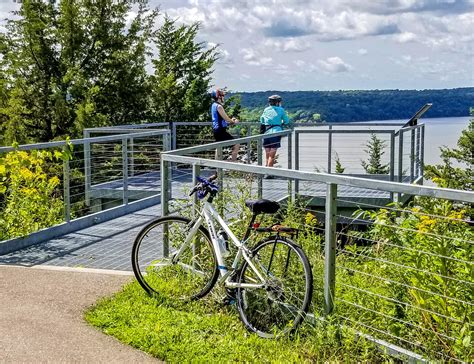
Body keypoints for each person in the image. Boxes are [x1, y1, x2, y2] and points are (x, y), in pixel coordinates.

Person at [260, 94, 290, 175]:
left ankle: (266, 170)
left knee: (267, 154)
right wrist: (281, 122)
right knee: (272, 155)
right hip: (276, 132)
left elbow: (262, 120)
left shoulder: (266, 109)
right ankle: (269, 173)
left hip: (266, 133)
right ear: (278, 102)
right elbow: (286, 121)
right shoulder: (281, 110)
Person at [210, 88, 240, 162]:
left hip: (216, 129)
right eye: (223, 96)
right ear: (219, 97)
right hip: (220, 130)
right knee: (236, 144)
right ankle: (233, 165)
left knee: (219, 148)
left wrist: (229, 121)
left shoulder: (213, 105)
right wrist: (233, 121)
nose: (224, 97)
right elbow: (226, 119)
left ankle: (217, 169)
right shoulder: (219, 106)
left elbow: (220, 120)